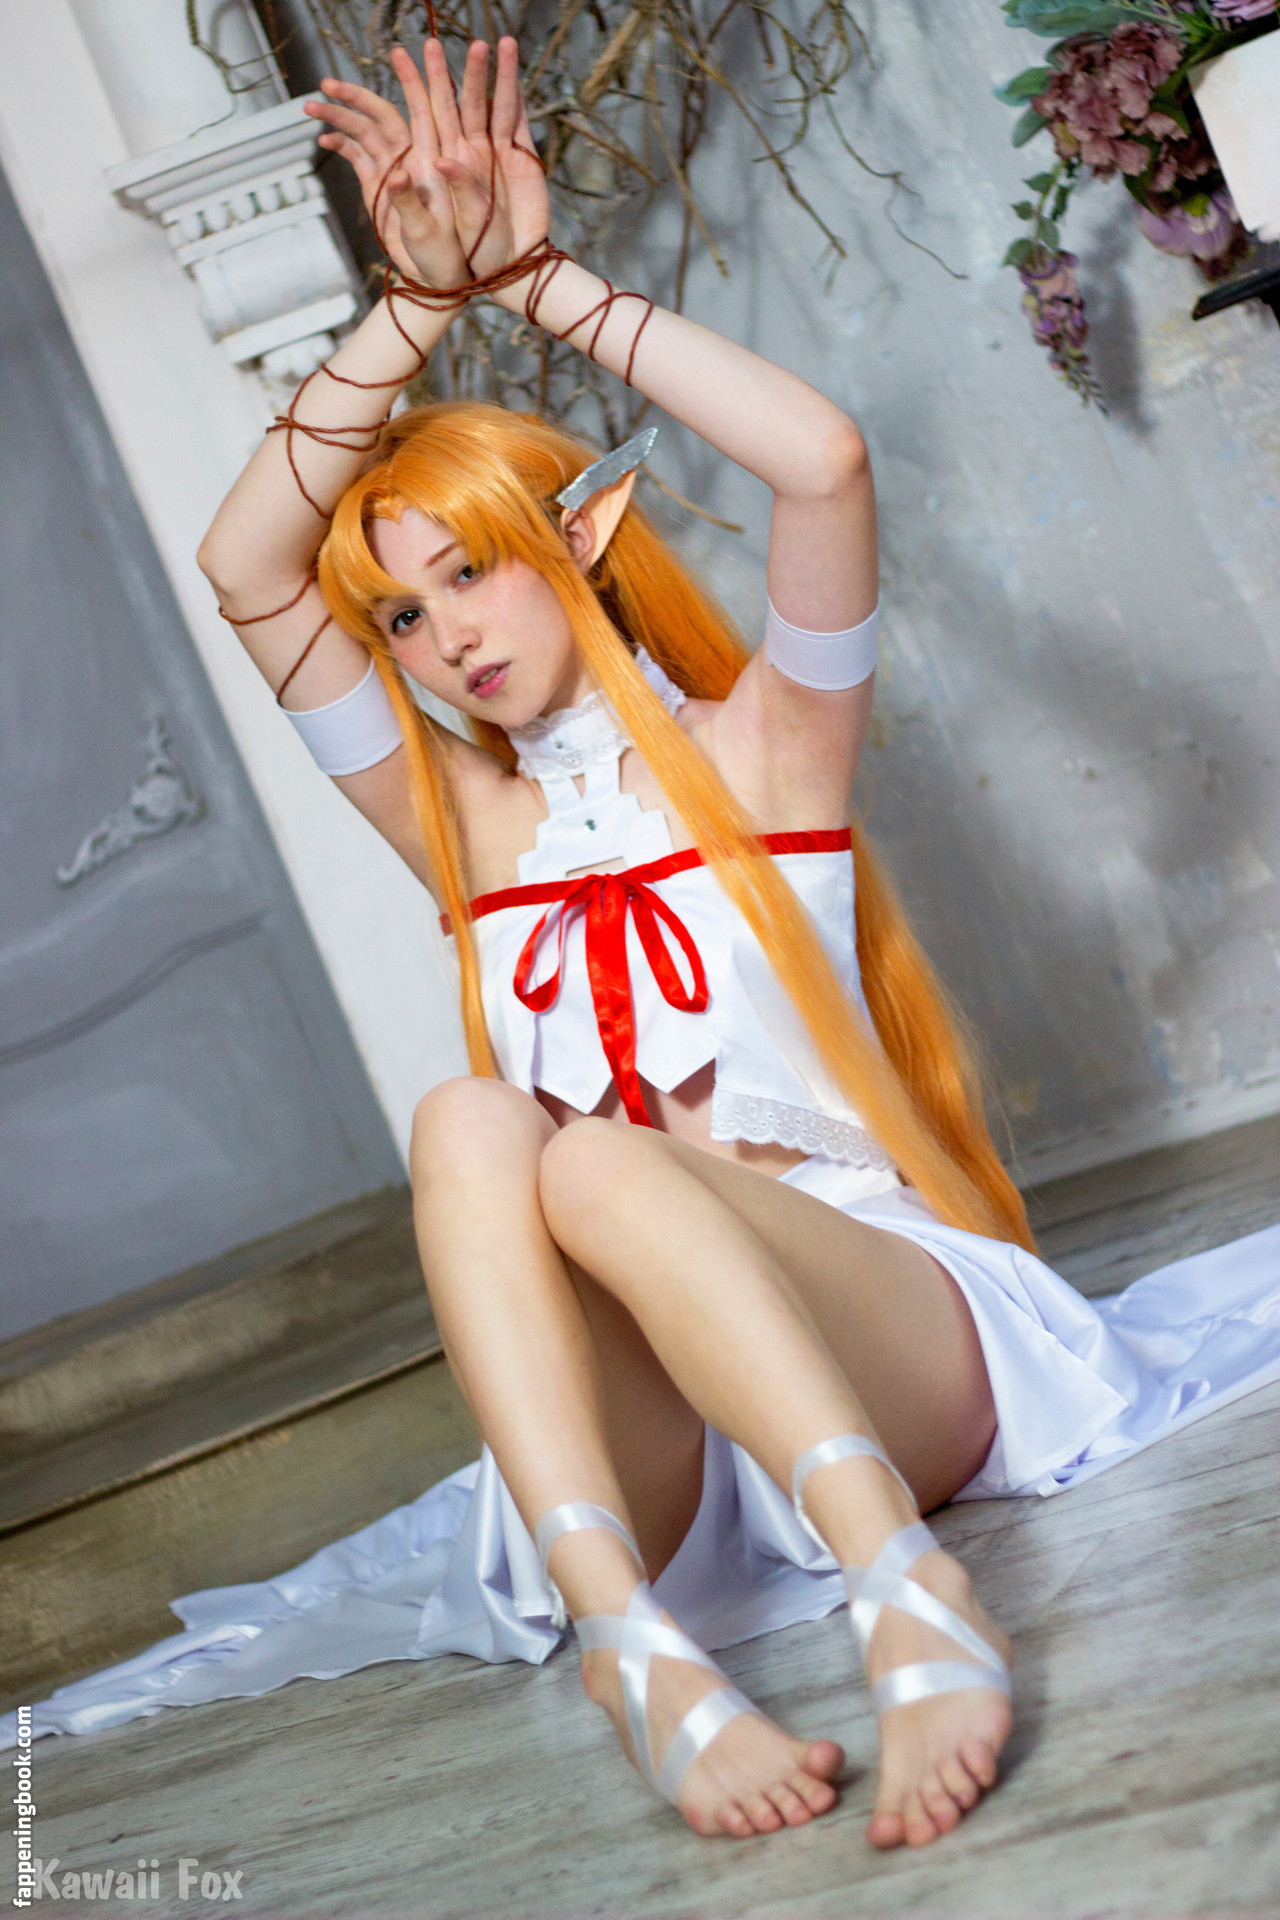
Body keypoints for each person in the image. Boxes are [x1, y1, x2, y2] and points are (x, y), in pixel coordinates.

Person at [183, 34, 1280, 1854]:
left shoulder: (769, 756)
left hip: (887, 1335)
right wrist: (408, 308)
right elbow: (243, 570)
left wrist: (532, 282)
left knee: (599, 1161)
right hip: (665, 1436)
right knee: (476, 1124)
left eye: (471, 569)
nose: (445, 639)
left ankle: (906, 1590)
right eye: (402, 614)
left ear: (582, 536)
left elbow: (822, 461)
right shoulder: (469, 831)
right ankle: (631, 1647)